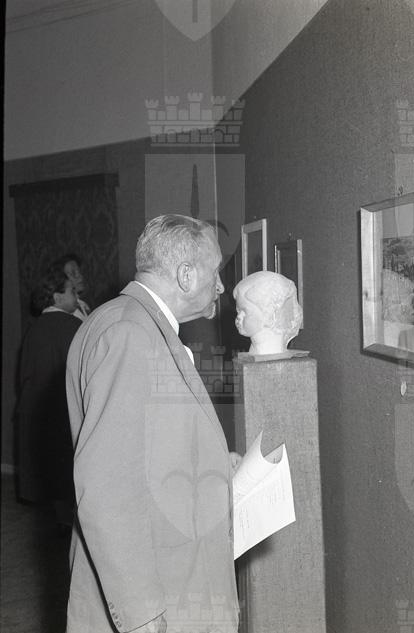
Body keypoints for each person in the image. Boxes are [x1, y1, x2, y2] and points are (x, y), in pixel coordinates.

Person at [65, 214, 239, 633]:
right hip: (162, 594)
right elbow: (108, 486)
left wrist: (214, 463)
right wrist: (142, 613)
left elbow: (143, 450)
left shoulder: (126, 321)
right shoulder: (130, 334)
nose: (220, 286)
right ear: (185, 274)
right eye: (215, 272)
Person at [15, 267, 81, 528]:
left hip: (36, 413)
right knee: (66, 474)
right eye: (72, 291)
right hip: (62, 413)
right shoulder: (73, 326)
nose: (77, 295)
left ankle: (60, 520)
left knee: (50, 474)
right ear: (57, 297)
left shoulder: (34, 329)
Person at [233, 271, 302, 356]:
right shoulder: (257, 351)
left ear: (268, 313)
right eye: (238, 311)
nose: (239, 316)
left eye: (245, 312)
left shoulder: (270, 350)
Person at [53, 253, 91, 320]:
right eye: (73, 273)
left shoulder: (83, 305)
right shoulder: (63, 309)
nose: (80, 276)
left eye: (79, 272)